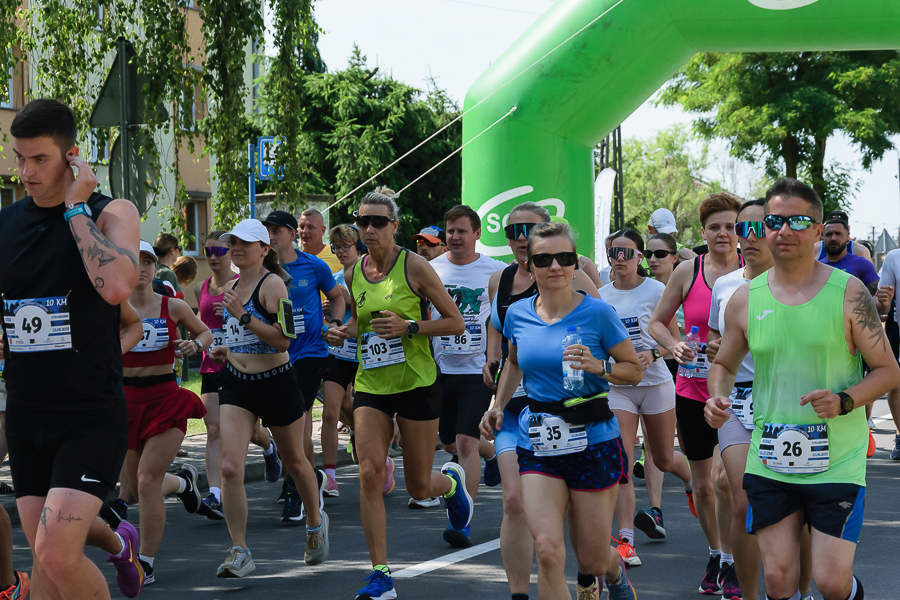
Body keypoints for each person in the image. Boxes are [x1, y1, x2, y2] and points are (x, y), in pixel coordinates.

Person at [706, 177, 900, 600]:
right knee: (778, 580)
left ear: (817, 230)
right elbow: (722, 363)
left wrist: (846, 399)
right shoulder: (744, 298)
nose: (783, 230)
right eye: (774, 221)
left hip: (837, 458)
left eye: (798, 221)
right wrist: (716, 395)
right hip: (770, 455)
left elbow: (888, 371)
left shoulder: (848, 293)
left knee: (830, 583)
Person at [0, 99, 143, 598]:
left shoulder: (111, 212)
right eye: (19, 158)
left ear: (73, 158)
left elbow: (118, 288)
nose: (25, 172)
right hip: (26, 414)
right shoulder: (6, 224)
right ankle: (118, 545)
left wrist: (75, 209)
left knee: (56, 552)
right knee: (46, 568)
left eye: (39, 159)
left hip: (89, 414)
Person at [481, 221, 642, 600]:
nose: (555, 266)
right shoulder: (517, 314)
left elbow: (633, 370)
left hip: (593, 439)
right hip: (539, 442)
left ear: (576, 264)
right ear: (530, 264)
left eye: (565, 257)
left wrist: (600, 367)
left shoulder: (598, 314)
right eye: (544, 258)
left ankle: (614, 573)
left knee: (591, 558)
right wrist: (498, 405)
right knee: (549, 551)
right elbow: (515, 363)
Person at [325, 189, 468, 600]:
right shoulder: (352, 272)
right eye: (362, 222)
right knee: (369, 471)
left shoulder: (416, 267)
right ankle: (381, 574)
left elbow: (455, 322)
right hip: (371, 385)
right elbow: (359, 321)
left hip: (417, 384)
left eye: (378, 222)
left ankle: (452, 486)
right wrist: (343, 331)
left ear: (394, 226)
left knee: (419, 488)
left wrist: (410, 327)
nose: (368, 230)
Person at [209, 218, 329, 577]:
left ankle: (314, 522)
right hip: (236, 383)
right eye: (233, 243)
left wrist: (243, 316)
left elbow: (284, 340)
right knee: (230, 467)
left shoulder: (273, 284)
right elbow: (244, 337)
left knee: (295, 462)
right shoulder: (231, 285)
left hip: (276, 381)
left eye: (246, 243)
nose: (237, 248)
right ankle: (239, 549)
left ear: (265, 249)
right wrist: (225, 351)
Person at [649, 192, 744, 594]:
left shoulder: (754, 269)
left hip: (739, 395)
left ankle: (738, 560)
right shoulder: (689, 270)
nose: (723, 234)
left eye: (731, 226)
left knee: (731, 483)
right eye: (715, 227)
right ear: (703, 232)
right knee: (704, 485)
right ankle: (718, 553)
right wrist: (675, 348)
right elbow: (657, 322)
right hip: (692, 391)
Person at [119, 241, 210, 585]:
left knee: (145, 481)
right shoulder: (113, 308)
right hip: (127, 402)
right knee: (139, 482)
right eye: (135, 260)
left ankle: (146, 561)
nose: (141, 267)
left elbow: (205, 330)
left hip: (165, 398)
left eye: (148, 261)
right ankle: (184, 483)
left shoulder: (172, 306)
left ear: (155, 268)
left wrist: (195, 344)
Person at [600, 229, 693, 568]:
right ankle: (627, 540)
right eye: (614, 252)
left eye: (627, 252)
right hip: (618, 388)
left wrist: (652, 353)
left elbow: (675, 338)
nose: (619, 259)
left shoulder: (657, 290)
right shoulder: (600, 296)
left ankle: (691, 481)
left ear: (640, 256)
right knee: (622, 463)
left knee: (664, 459)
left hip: (655, 384)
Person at [430, 205, 507, 547]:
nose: (455, 237)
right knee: (448, 441)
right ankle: (490, 454)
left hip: (478, 371)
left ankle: (463, 520)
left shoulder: (496, 272)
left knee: (464, 442)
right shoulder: (431, 270)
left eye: (462, 231)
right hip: (439, 369)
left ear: (477, 234)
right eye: (450, 231)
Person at [262, 209, 345, 520]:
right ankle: (307, 476)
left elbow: (336, 297)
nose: (271, 236)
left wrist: (334, 322)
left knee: (300, 419)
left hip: (310, 353)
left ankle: (297, 487)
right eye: (267, 230)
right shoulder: (262, 269)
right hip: (273, 354)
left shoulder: (314, 266)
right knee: (282, 425)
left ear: (291, 234)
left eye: (277, 230)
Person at [193, 230, 276, 520]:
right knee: (213, 429)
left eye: (219, 252)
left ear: (229, 253)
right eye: (208, 252)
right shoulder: (199, 288)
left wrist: (235, 311)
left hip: (239, 363)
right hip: (211, 363)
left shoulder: (240, 286)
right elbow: (199, 326)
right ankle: (215, 494)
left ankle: (268, 445)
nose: (213, 258)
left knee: (250, 430)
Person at [320, 224, 366, 496]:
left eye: (345, 247)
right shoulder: (335, 275)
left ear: (358, 247)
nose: (339, 252)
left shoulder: (370, 272)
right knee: (330, 411)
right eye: (336, 248)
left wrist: (344, 298)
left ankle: (377, 458)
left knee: (361, 412)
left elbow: (368, 308)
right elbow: (333, 314)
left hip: (364, 353)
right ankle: (330, 476)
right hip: (338, 351)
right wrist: (330, 310)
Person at [875, 246, 900, 459]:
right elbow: (883, 305)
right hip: (897, 329)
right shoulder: (894, 257)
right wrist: (883, 302)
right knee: (897, 383)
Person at [818, 217, 879, 294]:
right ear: (822, 239)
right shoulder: (815, 268)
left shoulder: (862, 264)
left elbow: (878, 299)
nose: (833, 238)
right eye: (829, 234)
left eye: (838, 234)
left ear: (848, 239)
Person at [299, 208, 342, 274]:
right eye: (301, 227)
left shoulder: (338, 255)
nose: (305, 231)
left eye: (310, 227)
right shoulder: (295, 259)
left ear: (323, 230)